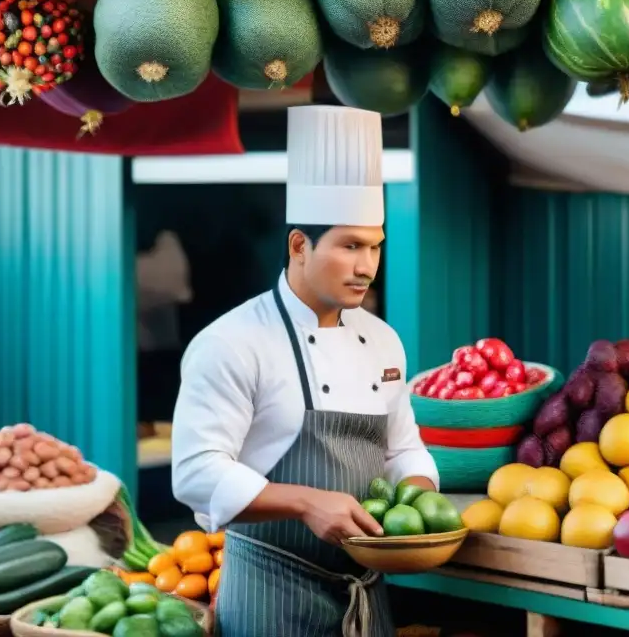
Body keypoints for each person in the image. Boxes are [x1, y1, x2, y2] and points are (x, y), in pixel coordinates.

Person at [171, 105, 438, 637]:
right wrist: (305, 503)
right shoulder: (232, 341)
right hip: (269, 594)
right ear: (299, 245)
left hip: (364, 596)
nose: (367, 266)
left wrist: (416, 499)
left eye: (375, 247)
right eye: (350, 246)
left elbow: (403, 447)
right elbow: (196, 472)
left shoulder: (383, 339)